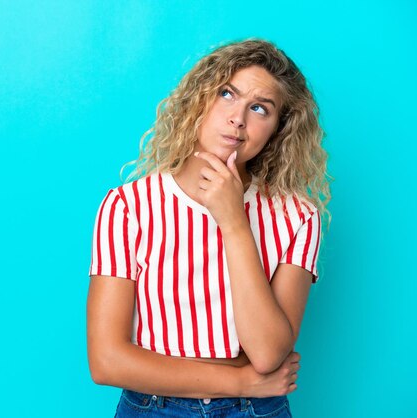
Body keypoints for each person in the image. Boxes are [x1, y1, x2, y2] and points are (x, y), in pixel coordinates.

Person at [87, 39, 331, 417]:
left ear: (277, 130)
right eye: (227, 94)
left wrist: (234, 222)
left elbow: (267, 354)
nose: (238, 118)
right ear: (198, 100)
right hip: (154, 408)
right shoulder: (128, 207)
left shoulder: (297, 217)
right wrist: (239, 379)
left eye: (259, 108)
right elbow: (107, 362)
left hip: (254, 410)